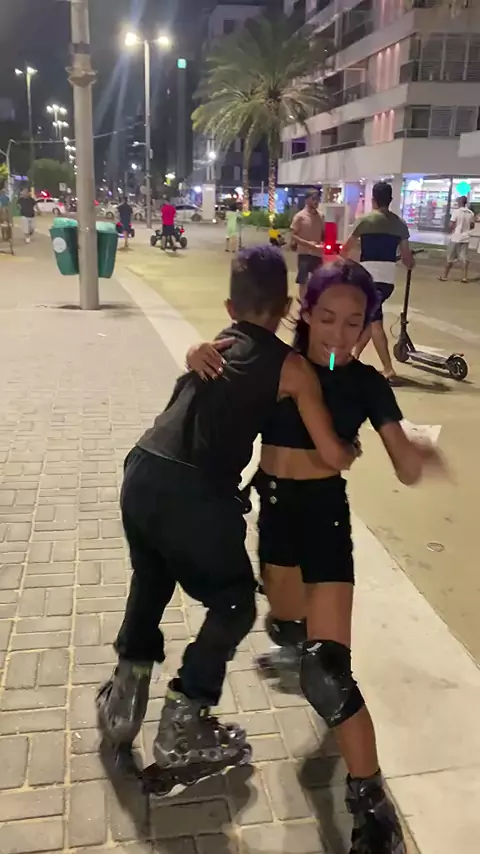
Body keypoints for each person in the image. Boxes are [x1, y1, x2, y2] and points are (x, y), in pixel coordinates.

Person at [188, 259, 446, 854]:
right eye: (327, 317)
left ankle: (373, 811)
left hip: (325, 519)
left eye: (354, 322)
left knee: (327, 673)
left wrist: (421, 457)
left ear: (367, 326)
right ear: (304, 311)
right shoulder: (275, 360)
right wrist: (196, 351)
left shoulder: (368, 383)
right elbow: (216, 357)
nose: (339, 334)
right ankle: (293, 636)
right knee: (287, 624)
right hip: (275, 517)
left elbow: (405, 466)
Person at [96, 247, 358, 790]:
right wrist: (349, 449)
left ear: (230, 307)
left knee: (152, 578)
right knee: (235, 602)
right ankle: (184, 720)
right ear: (287, 307)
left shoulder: (218, 343)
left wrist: (193, 349)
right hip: (194, 492)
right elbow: (330, 445)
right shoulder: (291, 367)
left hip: (142, 469)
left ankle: (123, 700)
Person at [341, 181, 414, 383]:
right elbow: (407, 258)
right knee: (370, 321)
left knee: (375, 324)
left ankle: (388, 369)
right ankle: (353, 357)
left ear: (373, 200)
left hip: (369, 279)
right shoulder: (400, 224)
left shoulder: (365, 221)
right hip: (387, 281)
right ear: (390, 200)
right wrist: (410, 263)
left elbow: (345, 250)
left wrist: (351, 265)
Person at [291, 189, 324, 297]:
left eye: (318, 199)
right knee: (303, 281)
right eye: (313, 199)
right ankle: (303, 303)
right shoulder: (299, 216)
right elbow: (293, 236)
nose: (316, 201)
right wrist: (308, 244)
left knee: (318, 281)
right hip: (304, 254)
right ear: (307, 200)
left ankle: (314, 303)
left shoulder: (321, 216)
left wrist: (324, 244)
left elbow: (324, 234)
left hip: (317, 254)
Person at [440, 195, 475, 283]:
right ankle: (464, 277)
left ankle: (444, 276)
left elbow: (451, 225)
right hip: (465, 238)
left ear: (459, 202)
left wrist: (451, 230)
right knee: (464, 258)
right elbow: (472, 226)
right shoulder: (471, 213)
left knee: (450, 258)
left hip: (456, 237)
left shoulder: (456, 212)